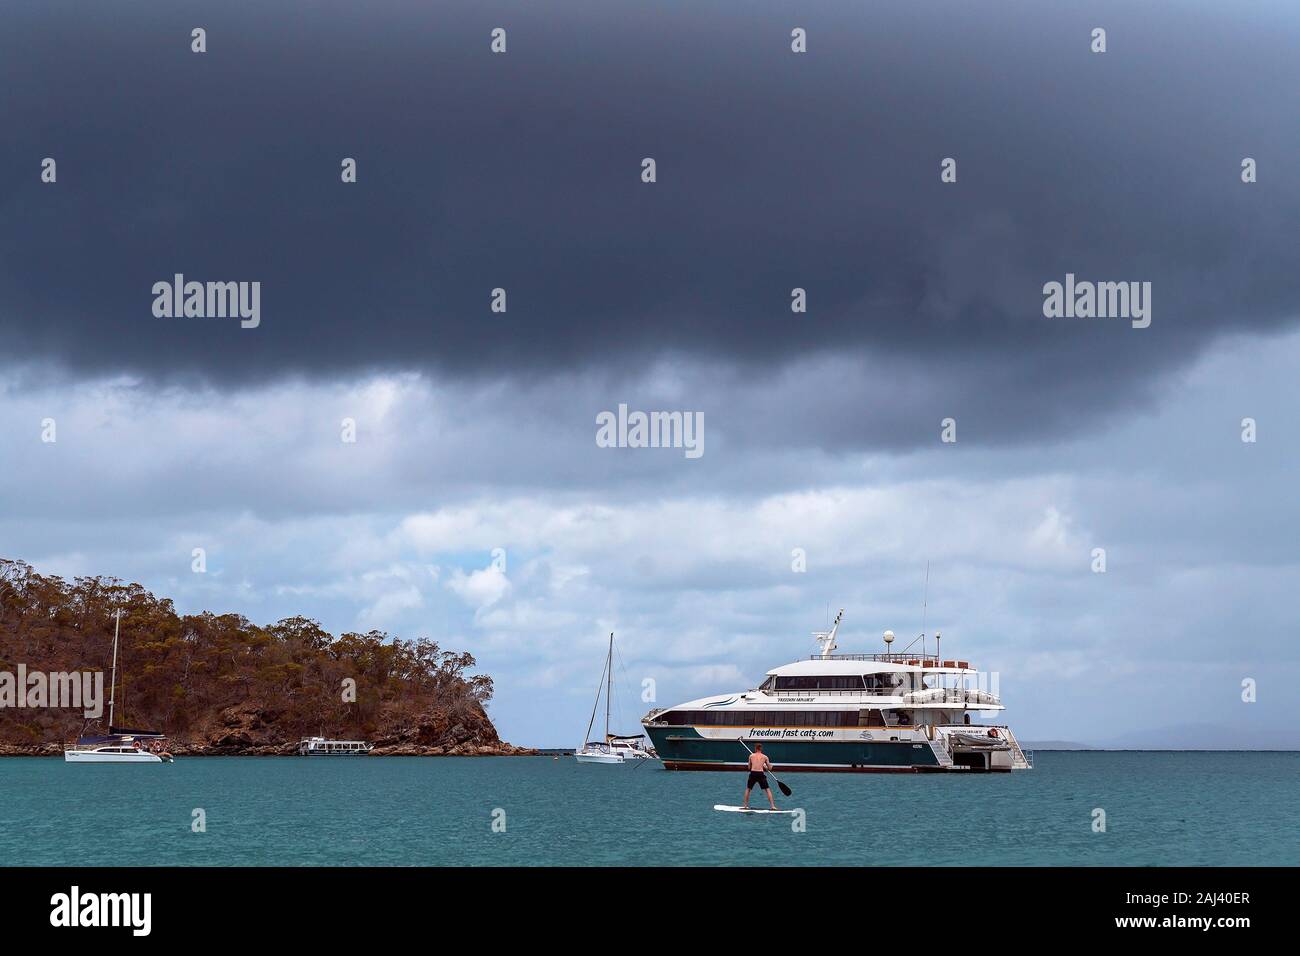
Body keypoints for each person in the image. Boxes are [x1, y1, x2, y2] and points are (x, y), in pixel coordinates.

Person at [742, 743, 778, 810]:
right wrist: (767, 766)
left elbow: (749, 767)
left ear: (755, 748)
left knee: (748, 789)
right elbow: (769, 768)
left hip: (753, 773)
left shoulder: (751, 756)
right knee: (767, 789)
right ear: (761, 749)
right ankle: (773, 806)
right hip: (760, 774)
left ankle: (745, 806)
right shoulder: (765, 757)